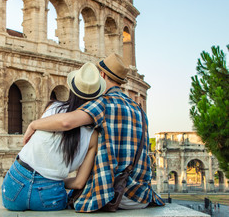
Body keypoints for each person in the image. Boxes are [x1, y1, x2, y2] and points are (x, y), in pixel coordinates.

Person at [23, 53, 165, 212]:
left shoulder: (103, 103)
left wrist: (34, 124)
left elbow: (66, 122)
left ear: (102, 75)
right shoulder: (139, 110)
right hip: (140, 196)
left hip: (111, 195)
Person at [2, 62, 106, 211]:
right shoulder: (93, 136)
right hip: (50, 194)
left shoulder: (53, 107)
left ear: (72, 89)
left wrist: (33, 124)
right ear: (96, 99)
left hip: (14, 186)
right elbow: (78, 183)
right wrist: (48, 182)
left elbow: (65, 123)